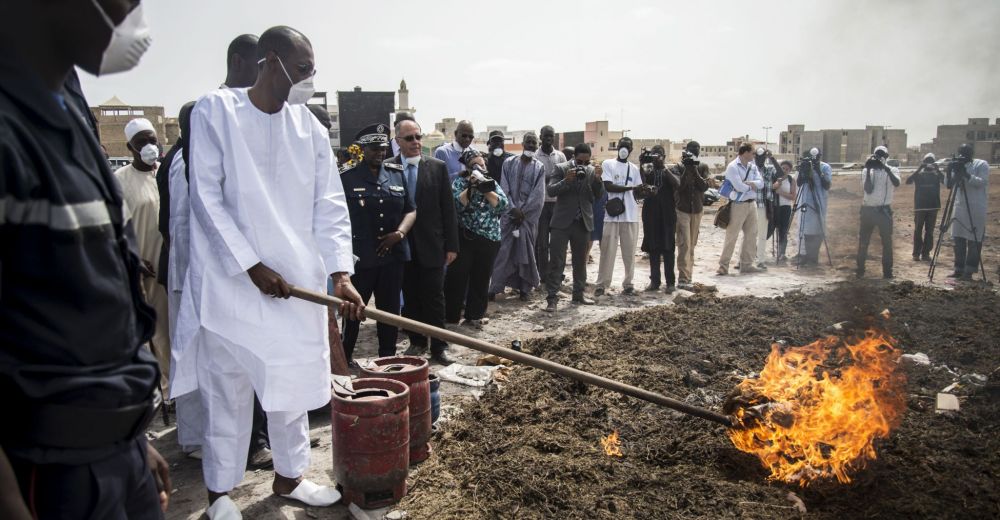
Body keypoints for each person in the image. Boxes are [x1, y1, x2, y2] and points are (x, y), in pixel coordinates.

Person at [175, 26, 364, 518]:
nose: (309, 80)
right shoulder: (216, 111)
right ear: (271, 61)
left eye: (313, 71)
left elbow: (329, 204)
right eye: (303, 70)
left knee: (291, 386)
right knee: (228, 391)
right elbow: (206, 197)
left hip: (295, 286)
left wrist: (341, 273)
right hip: (231, 286)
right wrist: (251, 265)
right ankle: (220, 494)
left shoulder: (310, 128)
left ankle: (291, 477)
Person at [1, 1, 172, 518]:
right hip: (48, 470)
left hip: (114, 453)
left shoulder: (65, 115)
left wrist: (129, 438)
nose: (136, 13)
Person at [340, 124, 415, 361]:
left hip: (392, 257)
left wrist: (399, 233)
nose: (380, 153)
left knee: (389, 310)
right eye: (374, 149)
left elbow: (410, 210)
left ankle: (387, 358)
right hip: (362, 257)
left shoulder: (396, 173)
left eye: (383, 148)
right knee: (353, 309)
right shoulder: (347, 176)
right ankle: (344, 357)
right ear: (363, 149)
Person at [391, 120, 460, 365]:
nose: (416, 142)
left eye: (418, 137)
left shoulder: (437, 168)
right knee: (411, 296)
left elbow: (448, 209)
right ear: (398, 141)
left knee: (434, 297)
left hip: (432, 245)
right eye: (409, 138)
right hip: (402, 246)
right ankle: (417, 341)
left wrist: (452, 245)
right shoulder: (389, 168)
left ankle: (439, 346)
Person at [115, 118, 173, 392]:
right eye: (141, 142)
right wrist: (132, 258)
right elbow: (113, 227)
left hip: (171, 261)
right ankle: (167, 389)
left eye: (152, 140)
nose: (149, 146)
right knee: (159, 330)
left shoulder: (164, 172)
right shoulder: (119, 181)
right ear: (130, 147)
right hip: (145, 266)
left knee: (174, 326)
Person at [445, 150, 509, 327]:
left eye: (482, 164)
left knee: (481, 278)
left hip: (489, 238)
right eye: (475, 165)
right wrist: (471, 187)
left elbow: (502, 205)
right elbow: (457, 206)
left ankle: (475, 315)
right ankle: (450, 315)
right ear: (467, 168)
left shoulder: (492, 182)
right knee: (457, 276)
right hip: (465, 237)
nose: (480, 167)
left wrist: (485, 188)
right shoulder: (459, 182)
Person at [544, 144, 605, 312]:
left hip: (582, 223)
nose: (583, 165)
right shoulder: (561, 168)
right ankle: (552, 298)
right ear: (573, 158)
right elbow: (550, 190)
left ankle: (578, 295)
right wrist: (566, 180)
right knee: (557, 261)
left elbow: (598, 195)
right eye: (579, 162)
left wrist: (598, 180)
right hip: (561, 223)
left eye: (586, 162)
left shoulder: (592, 171)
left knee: (580, 261)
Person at [489, 132, 547, 301]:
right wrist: (512, 209)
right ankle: (495, 288)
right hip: (509, 216)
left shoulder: (539, 167)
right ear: (522, 143)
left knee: (525, 253)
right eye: (528, 142)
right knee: (503, 252)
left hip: (527, 219)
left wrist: (523, 212)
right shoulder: (509, 163)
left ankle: (524, 289)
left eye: (534, 143)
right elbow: (503, 188)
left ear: (537, 146)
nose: (531, 145)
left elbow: (539, 195)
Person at [595, 137, 643, 296]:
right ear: (617, 147)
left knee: (629, 253)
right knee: (607, 251)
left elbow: (638, 191)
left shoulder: (634, 168)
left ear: (631, 150)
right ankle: (602, 284)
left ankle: (628, 283)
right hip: (612, 216)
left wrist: (644, 190)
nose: (624, 149)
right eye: (622, 146)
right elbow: (608, 186)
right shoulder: (608, 164)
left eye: (627, 147)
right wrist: (631, 188)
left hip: (630, 216)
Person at [717, 144, 765, 275]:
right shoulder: (732, 167)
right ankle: (723, 266)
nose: (754, 155)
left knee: (751, 235)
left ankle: (747, 264)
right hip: (738, 205)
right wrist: (751, 186)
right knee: (732, 236)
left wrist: (751, 184)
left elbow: (761, 183)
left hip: (751, 204)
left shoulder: (752, 166)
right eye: (752, 152)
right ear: (745, 153)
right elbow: (739, 187)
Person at [946, 143, 990, 281]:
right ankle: (958, 269)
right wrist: (949, 170)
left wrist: (965, 173)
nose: (963, 155)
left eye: (966, 152)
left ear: (971, 153)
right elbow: (949, 185)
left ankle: (969, 271)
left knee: (974, 240)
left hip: (976, 207)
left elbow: (981, 182)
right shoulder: (957, 164)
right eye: (961, 152)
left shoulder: (981, 164)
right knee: (958, 239)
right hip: (959, 207)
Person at [639, 145, 679, 292]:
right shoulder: (648, 171)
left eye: (659, 155)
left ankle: (670, 283)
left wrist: (663, 168)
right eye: (654, 155)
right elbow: (641, 185)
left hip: (667, 215)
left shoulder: (670, 170)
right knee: (653, 248)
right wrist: (641, 164)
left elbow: (677, 184)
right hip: (651, 215)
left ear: (664, 156)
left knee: (668, 248)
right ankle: (655, 281)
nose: (656, 157)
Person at [856, 146, 901, 279]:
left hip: (884, 210)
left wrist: (885, 168)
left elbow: (896, 183)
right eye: (877, 155)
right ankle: (860, 270)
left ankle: (887, 272)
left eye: (882, 155)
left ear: (886, 157)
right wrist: (868, 169)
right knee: (863, 241)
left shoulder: (893, 169)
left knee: (887, 242)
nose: (880, 157)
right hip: (868, 209)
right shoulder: (867, 170)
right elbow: (868, 190)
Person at [673, 141, 711, 288]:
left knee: (692, 245)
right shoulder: (678, 167)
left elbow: (704, 186)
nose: (694, 152)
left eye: (697, 150)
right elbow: (679, 186)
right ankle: (683, 277)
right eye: (691, 150)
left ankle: (689, 276)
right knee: (684, 244)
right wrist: (686, 169)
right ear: (686, 151)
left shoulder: (702, 167)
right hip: (682, 210)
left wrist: (694, 170)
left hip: (697, 210)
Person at [535, 126, 568, 286]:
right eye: (546, 136)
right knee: (542, 243)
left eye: (551, 136)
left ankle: (556, 273)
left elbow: (566, 177)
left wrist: (552, 179)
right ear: (540, 136)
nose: (548, 138)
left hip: (557, 205)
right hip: (541, 205)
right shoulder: (535, 156)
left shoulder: (560, 156)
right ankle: (543, 274)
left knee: (558, 243)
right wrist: (551, 178)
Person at [795, 147, 833, 267]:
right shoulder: (805, 165)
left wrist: (817, 170)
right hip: (806, 201)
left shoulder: (825, 167)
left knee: (818, 228)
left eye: (817, 157)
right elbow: (799, 183)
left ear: (820, 156)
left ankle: (814, 257)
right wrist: (803, 170)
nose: (814, 159)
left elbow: (827, 185)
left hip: (819, 202)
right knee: (806, 228)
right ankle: (806, 255)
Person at [906, 153, 944, 261]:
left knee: (929, 231)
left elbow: (946, 182)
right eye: (927, 161)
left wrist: (938, 170)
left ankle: (926, 253)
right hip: (920, 207)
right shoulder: (919, 174)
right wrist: (919, 169)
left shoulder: (936, 175)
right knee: (918, 230)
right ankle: (916, 253)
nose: (929, 164)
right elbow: (908, 181)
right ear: (923, 162)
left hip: (933, 207)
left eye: (931, 162)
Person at [753, 148, 777, 269]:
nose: (760, 160)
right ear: (755, 157)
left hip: (764, 205)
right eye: (758, 157)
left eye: (762, 157)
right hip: (751, 205)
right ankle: (743, 260)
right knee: (749, 234)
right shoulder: (750, 169)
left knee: (762, 234)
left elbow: (781, 175)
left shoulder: (770, 169)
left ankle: (760, 260)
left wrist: (772, 158)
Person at [772, 160, 798, 264]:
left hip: (785, 208)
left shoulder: (791, 180)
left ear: (790, 170)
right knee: (772, 228)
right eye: (783, 168)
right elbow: (772, 189)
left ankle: (782, 252)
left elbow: (793, 196)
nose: (784, 170)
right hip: (775, 207)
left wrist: (781, 192)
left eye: (787, 169)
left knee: (783, 230)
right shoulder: (775, 178)